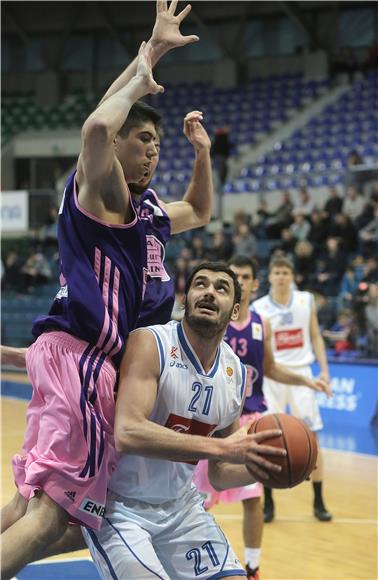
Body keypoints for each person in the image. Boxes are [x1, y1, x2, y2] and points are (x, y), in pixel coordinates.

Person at [0, 2, 204, 577]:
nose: (148, 149)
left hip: (71, 357)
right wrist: (148, 60)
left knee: (34, 505)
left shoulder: (118, 202)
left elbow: (103, 122)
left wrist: (150, 56)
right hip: (85, 362)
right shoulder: (100, 194)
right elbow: (97, 125)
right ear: (116, 151)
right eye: (138, 138)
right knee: (51, 518)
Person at [82, 261, 288, 579]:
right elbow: (128, 432)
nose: (209, 292)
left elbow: (219, 475)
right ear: (185, 299)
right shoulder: (151, 343)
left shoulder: (234, 373)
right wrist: (220, 448)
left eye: (221, 288)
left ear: (235, 311)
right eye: (200, 284)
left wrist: (266, 469)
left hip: (182, 508)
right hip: (119, 507)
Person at [193, 256, 331, 580]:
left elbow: (270, 367)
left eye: (245, 276)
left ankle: (252, 566)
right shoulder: (214, 320)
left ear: (255, 284)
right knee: (197, 499)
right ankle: (192, 559)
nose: (240, 280)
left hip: (251, 420)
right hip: (214, 421)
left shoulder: (261, 323)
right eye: (235, 275)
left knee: (252, 497)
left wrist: (305, 379)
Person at [253, 256, 333, 523]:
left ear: (292, 275)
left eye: (286, 271)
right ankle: (269, 504)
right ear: (270, 276)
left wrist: (324, 370)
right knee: (266, 440)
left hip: (301, 376)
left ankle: (319, 502)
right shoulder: (259, 307)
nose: (281, 276)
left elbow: (315, 336)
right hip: (273, 376)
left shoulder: (305, 300)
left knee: (313, 439)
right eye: (277, 272)